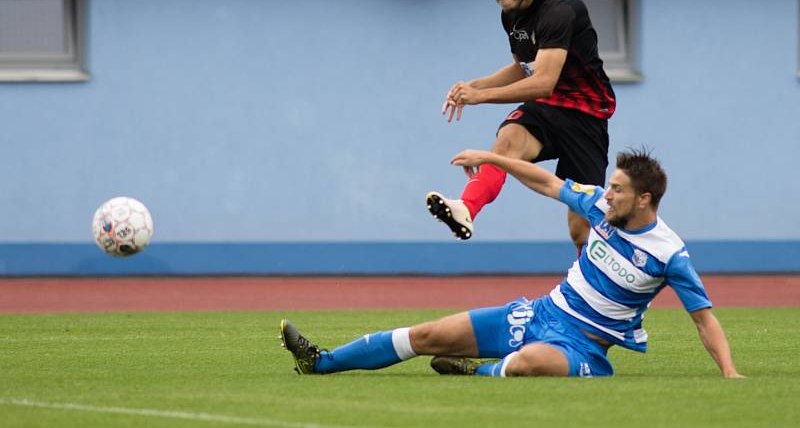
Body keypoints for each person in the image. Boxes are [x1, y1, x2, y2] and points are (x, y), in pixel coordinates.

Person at [280, 148, 743, 379]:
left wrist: (729, 374)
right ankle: (320, 362)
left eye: (618, 189)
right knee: (425, 335)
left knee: (526, 364)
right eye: (609, 185)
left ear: (644, 199)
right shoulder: (599, 207)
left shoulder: (669, 252)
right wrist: (490, 158)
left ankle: (477, 372)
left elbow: (704, 319)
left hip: (583, 348)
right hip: (539, 313)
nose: (608, 193)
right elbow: (544, 180)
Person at [427, 0, 616, 253]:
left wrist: (480, 98)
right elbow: (523, 68)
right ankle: (466, 209)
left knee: (581, 229)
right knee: (506, 143)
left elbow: (543, 82)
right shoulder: (510, 14)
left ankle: (603, 293)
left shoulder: (561, 10)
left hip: (586, 116)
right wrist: (475, 85)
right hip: (546, 109)